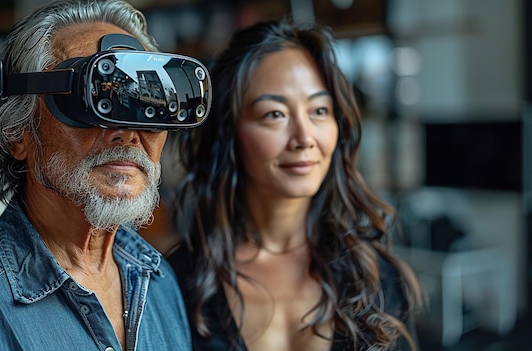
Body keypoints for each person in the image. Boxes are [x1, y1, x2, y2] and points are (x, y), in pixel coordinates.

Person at [0, 0, 200, 350]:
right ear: (18, 133)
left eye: (148, 105)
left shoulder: (161, 283)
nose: (126, 131)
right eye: (90, 99)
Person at [168, 18, 424, 351]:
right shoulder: (176, 285)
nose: (305, 138)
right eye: (275, 114)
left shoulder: (377, 278)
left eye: (319, 110)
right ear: (229, 133)